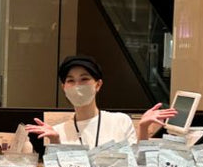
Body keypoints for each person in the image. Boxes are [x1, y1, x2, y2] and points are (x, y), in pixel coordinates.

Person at [25, 55, 176, 147]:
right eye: (71, 80)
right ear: (64, 87)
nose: (77, 86)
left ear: (98, 85)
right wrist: (55, 142)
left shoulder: (120, 121)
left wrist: (143, 129)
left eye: (84, 79)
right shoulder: (56, 132)